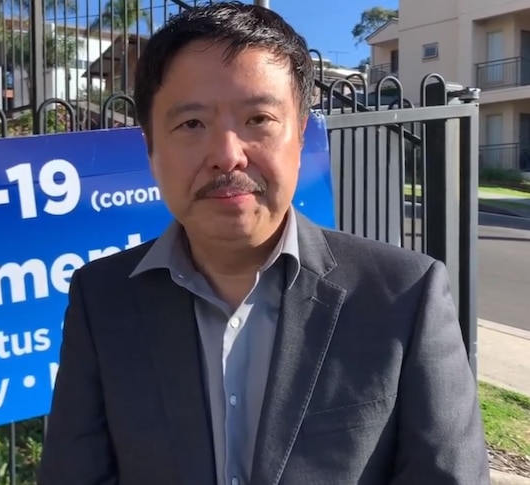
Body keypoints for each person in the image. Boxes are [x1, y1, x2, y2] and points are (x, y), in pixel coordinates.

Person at [36, 3, 490, 485]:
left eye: (258, 119)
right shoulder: (101, 298)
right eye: (191, 124)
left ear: (299, 140)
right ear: (151, 149)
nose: (227, 156)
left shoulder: (403, 295)